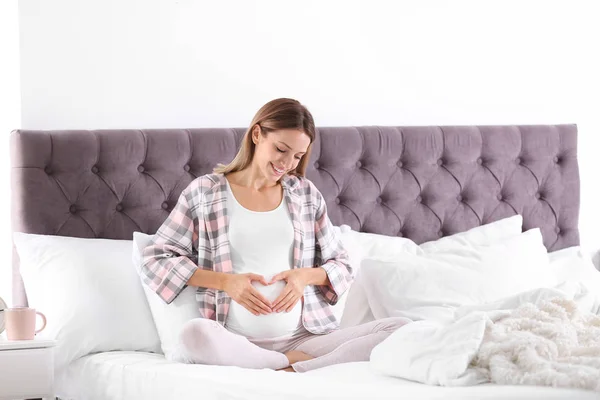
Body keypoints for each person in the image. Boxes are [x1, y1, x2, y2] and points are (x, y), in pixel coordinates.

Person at [140, 98, 410, 372]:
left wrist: (303, 277)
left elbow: (343, 264)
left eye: (297, 156)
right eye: (281, 149)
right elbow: (155, 259)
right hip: (235, 340)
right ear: (257, 134)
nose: (287, 163)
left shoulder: (305, 194)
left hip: (303, 340)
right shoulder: (205, 192)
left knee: (400, 327)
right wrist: (225, 282)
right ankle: (288, 366)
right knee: (193, 335)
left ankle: (289, 364)